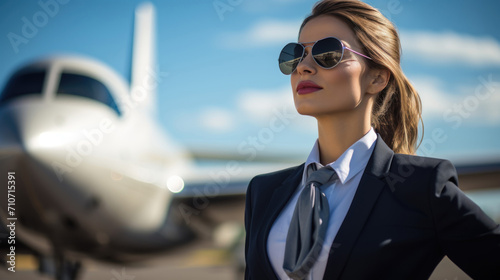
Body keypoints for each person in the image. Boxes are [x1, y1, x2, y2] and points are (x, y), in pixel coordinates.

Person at [244, 0, 500, 279]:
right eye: (295, 54)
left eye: (327, 52)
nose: (303, 67)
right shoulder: (263, 192)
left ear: (377, 78)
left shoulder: (422, 187)